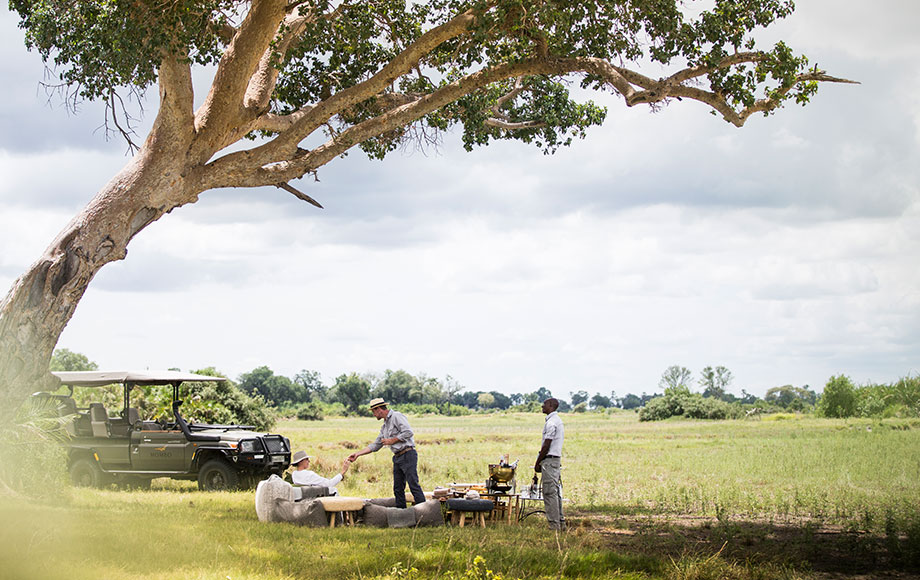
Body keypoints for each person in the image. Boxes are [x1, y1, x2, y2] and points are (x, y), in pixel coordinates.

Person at [347, 398, 426, 508]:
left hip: (407, 454)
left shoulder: (397, 416)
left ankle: (425, 513)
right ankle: (401, 515)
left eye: (374, 412)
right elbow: (376, 445)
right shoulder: (384, 426)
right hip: (397, 457)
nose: (374, 415)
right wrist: (358, 454)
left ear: (379, 409)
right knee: (398, 489)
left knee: (413, 485)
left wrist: (392, 440)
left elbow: (408, 432)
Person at [534, 397, 565, 530]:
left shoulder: (551, 422)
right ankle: (561, 522)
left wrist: (538, 462)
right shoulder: (556, 421)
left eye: (545, 404)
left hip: (550, 460)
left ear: (551, 406)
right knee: (555, 492)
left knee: (549, 493)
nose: (542, 406)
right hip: (554, 460)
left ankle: (554, 526)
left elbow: (547, 444)